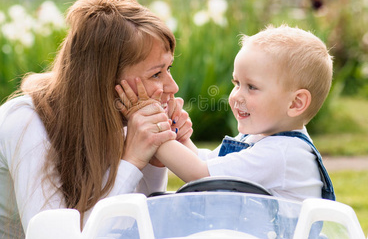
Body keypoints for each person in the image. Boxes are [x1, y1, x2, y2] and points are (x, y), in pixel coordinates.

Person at [0, 0, 192, 239]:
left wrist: (153, 160)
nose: (173, 86)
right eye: (156, 74)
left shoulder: (116, 115)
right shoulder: (26, 123)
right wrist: (132, 159)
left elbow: (135, 228)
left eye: (168, 68)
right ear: (104, 80)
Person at [118, 24, 335, 202]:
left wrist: (153, 130)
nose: (237, 96)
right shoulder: (260, 140)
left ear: (296, 103)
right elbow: (209, 163)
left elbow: (200, 175)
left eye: (252, 87)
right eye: (236, 83)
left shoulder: (283, 154)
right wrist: (180, 138)